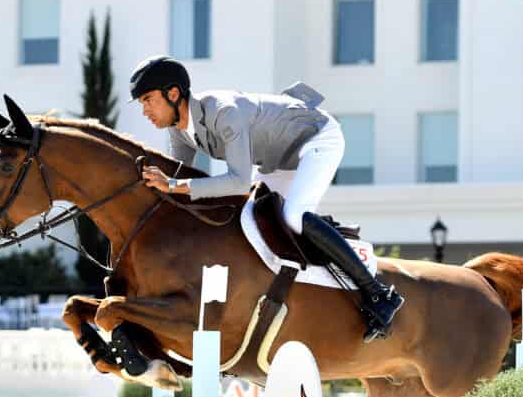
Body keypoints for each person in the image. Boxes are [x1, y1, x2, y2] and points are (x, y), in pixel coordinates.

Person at [129, 55, 403, 342]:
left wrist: (172, 184)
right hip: (279, 160)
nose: (145, 110)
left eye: (148, 99)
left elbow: (237, 181)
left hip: (317, 139)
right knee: (249, 221)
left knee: (294, 216)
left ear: (173, 94)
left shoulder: (224, 112)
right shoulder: (178, 129)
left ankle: (378, 294)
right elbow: (180, 184)